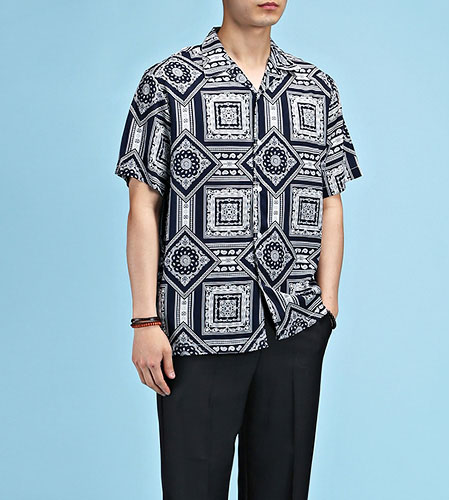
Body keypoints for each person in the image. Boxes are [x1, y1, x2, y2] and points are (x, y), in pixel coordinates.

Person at [115, 1, 362, 499]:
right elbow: (143, 205)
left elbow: (331, 199)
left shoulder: (317, 87)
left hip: (294, 324)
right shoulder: (168, 82)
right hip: (195, 331)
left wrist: (327, 306)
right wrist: (145, 321)